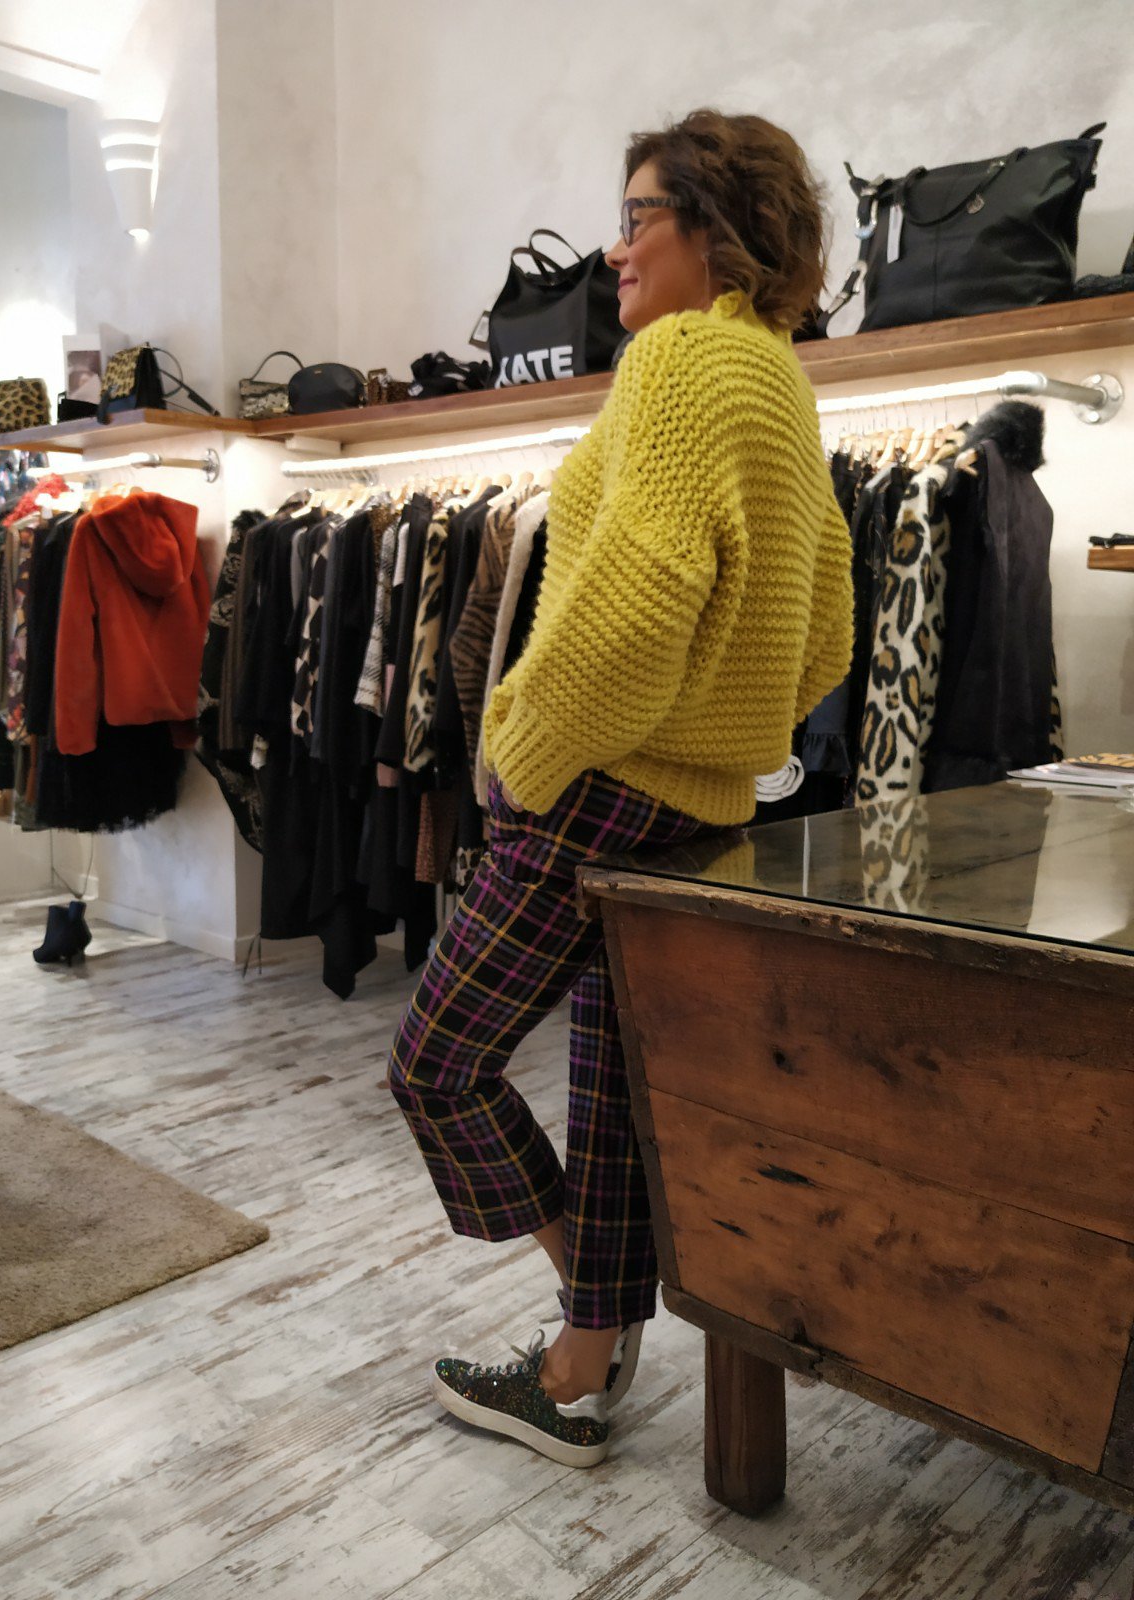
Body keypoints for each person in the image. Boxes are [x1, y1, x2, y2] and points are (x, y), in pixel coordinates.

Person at [389, 108, 854, 1468]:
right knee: (604, 1087)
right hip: (699, 806)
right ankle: (582, 1366)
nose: (615, 248)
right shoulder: (780, 382)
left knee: (437, 1063)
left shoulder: (683, 362)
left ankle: (585, 1323)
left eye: (638, 215)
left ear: (713, 228)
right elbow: (827, 625)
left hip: (597, 786)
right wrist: (733, 728)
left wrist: (518, 757)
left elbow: (639, 601)